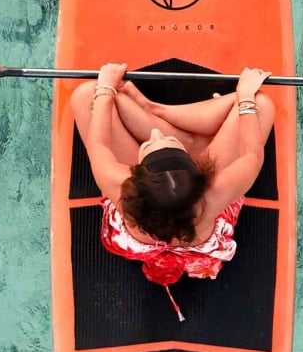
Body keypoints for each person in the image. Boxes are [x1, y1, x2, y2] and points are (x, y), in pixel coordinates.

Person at [70, 62, 277, 319]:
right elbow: (252, 155)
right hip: (197, 230)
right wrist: (245, 97)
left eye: (152, 143)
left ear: (135, 173)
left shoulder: (119, 184)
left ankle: (170, 122)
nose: (155, 133)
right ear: (198, 171)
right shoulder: (213, 194)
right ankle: (184, 131)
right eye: (163, 141)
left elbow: (98, 143)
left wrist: (105, 88)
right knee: (261, 104)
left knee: (85, 95)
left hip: (140, 241)